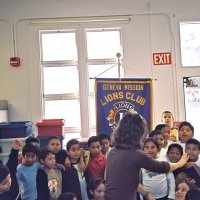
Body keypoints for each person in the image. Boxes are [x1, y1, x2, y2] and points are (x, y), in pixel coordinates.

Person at [105, 111, 189, 200]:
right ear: (139, 133)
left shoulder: (112, 152)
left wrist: (146, 194)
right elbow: (161, 167)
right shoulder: (136, 154)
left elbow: (127, 180)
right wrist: (180, 163)